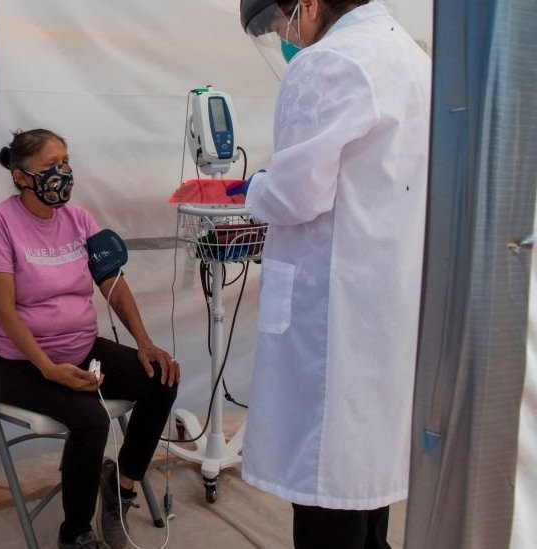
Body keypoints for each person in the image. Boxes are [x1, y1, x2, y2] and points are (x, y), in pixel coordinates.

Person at [232, 1, 431, 547]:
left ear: (309, 5)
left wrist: (256, 188)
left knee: (326, 482)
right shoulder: (411, 57)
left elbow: (299, 194)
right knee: (365, 477)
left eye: (279, 25)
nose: (284, 38)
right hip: (387, 297)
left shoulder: (327, 63)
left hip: (334, 313)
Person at [0, 128, 180, 549]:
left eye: (65, 164)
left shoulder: (80, 220)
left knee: (162, 376)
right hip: (19, 362)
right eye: (49, 167)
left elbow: (111, 282)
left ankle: (121, 489)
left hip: (81, 349)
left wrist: (145, 342)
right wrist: (47, 368)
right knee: (90, 419)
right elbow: (2, 307)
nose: (62, 174)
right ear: (21, 177)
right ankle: (74, 534)